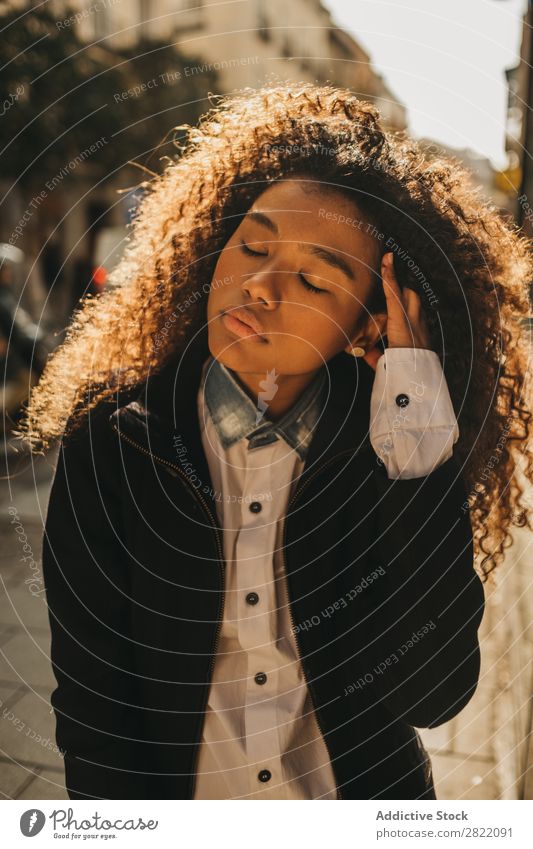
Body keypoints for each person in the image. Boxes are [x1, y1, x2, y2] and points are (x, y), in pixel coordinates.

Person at [15, 83, 533, 800]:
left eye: (315, 281)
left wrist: (415, 453)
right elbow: (96, 712)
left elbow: (432, 693)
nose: (259, 285)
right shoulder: (111, 443)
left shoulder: (389, 451)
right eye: (252, 245)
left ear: (365, 325)